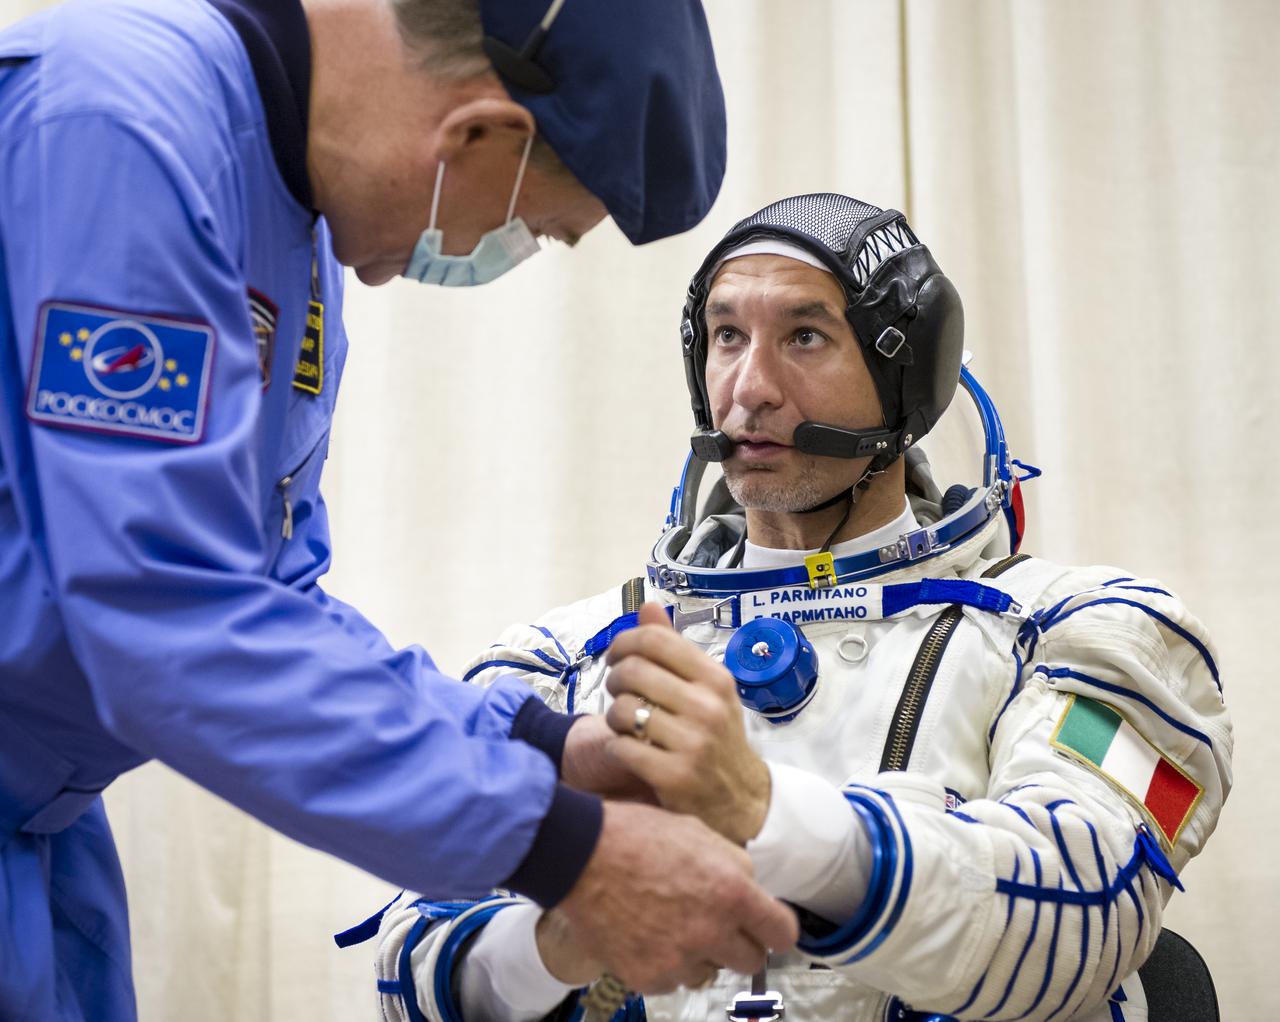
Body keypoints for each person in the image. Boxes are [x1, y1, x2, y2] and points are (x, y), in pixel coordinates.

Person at [0, 1, 800, 1018]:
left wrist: (551, 750)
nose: (492, 252)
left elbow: (270, 600)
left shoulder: (293, 240)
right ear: (478, 136)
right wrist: (567, 850)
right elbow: (167, 610)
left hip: (40, 838)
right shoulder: (117, 122)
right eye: (535, 231)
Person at [365, 193, 1232, 1022]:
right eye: (726, 336)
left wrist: (766, 812)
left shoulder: (1081, 633)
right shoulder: (563, 661)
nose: (749, 390)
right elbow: (412, 966)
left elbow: (1082, 907)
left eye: (805, 337)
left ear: (908, 374)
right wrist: (566, 935)